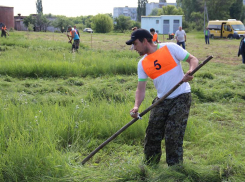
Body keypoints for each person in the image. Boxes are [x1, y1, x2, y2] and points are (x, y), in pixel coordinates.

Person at [125, 29, 199, 166]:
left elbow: (193, 59)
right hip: (161, 99)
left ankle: (175, 170)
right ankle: (150, 166)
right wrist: (136, 106)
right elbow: (140, 89)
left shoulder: (169, 47)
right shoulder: (142, 63)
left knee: (173, 135)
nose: (134, 48)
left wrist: (190, 71)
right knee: (152, 134)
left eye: (135, 44)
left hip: (181, 96)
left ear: (145, 41)